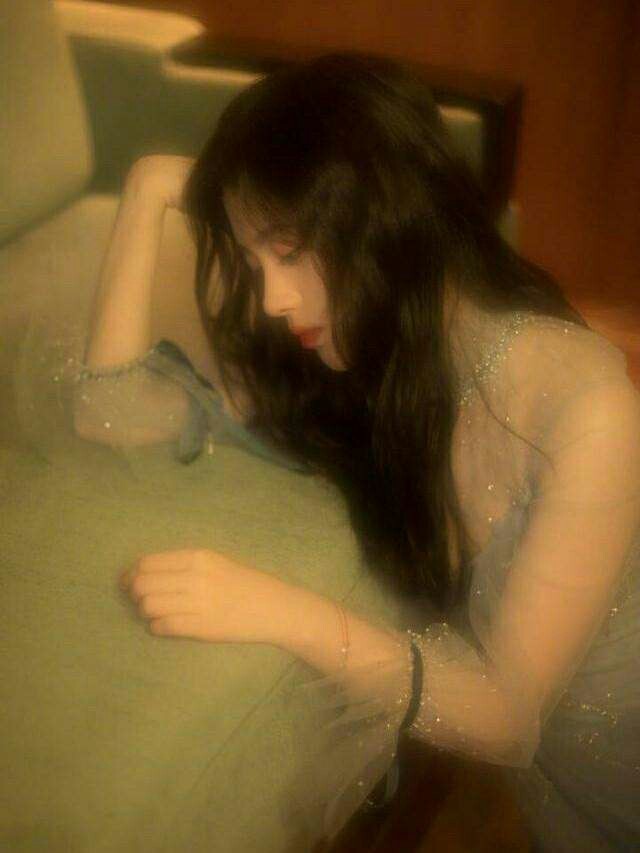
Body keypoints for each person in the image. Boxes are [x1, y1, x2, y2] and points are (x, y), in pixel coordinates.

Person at [74, 54, 640, 850]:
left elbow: (507, 717)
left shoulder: (588, 410)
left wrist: (271, 607)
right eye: (254, 261)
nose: (272, 300)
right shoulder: (378, 363)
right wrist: (150, 188)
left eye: (288, 250)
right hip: (564, 804)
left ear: (381, 221)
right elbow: (107, 415)